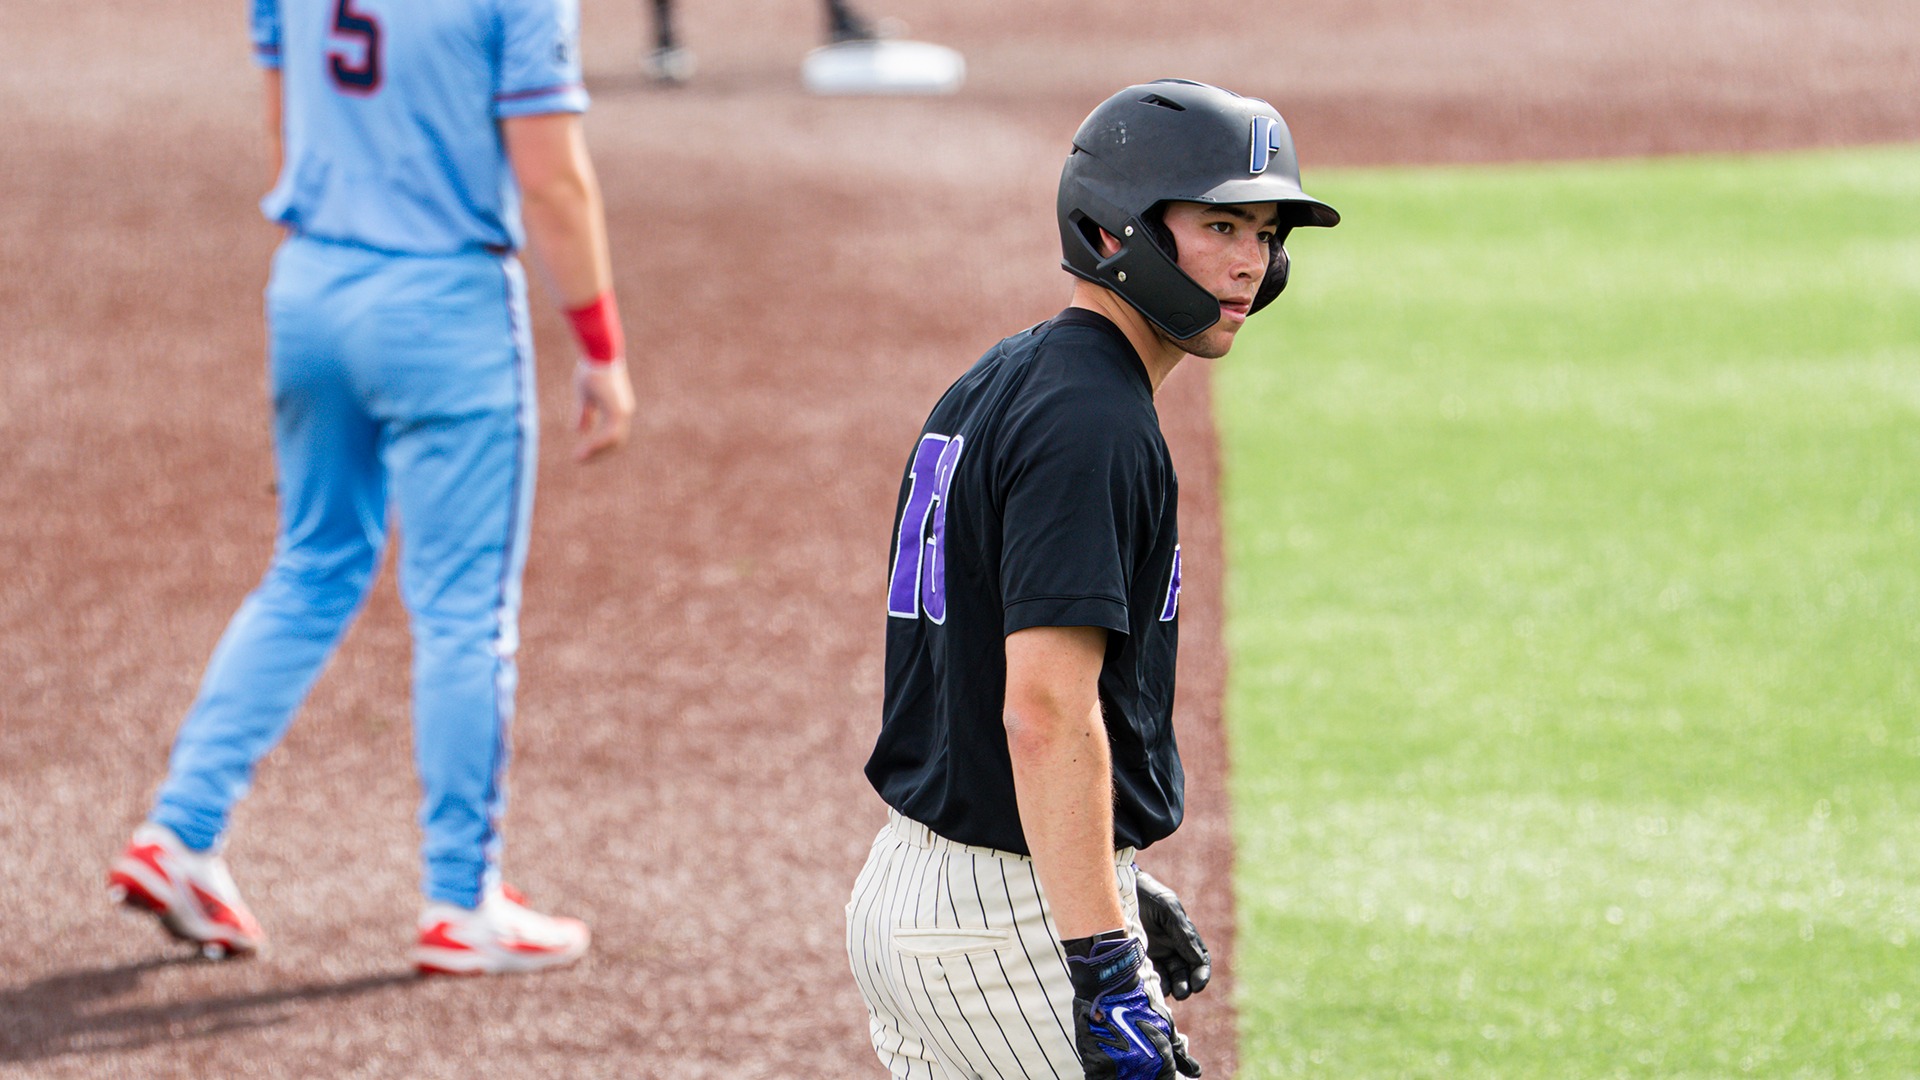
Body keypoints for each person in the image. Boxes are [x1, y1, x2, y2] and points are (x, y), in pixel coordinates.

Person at [106, 0, 636, 976]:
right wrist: (600, 348)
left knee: (310, 568)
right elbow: (552, 177)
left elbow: (283, 124)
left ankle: (178, 832)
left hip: (311, 282)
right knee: (463, 608)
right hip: (445, 305)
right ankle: (461, 898)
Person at [846, 79, 1339, 1078]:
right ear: (1118, 230)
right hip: (1009, 932)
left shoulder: (1012, 375)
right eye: (1220, 225)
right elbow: (1045, 711)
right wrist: (1099, 954)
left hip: (926, 884)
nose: (1253, 262)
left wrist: (1104, 884)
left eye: (1267, 233)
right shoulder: (1094, 423)